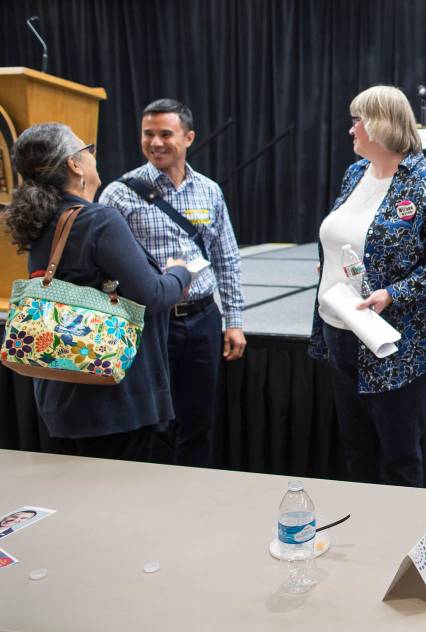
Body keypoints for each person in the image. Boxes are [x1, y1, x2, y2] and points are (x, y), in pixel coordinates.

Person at [308, 86, 426, 487]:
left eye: (357, 120)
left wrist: (394, 293)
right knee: (356, 447)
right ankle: (366, 535)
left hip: (397, 342)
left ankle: (400, 539)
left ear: (380, 125)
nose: (351, 130)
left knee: (398, 455)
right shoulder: (354, 174)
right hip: (341, 329)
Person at [1, 123, 191, 461]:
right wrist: (180, 271)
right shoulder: (99, 220)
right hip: (113, 403)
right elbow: (155, 296)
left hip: (59, 396)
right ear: (74, 165)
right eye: (87, 149)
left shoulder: (42, 218)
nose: (92, 155)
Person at [99, 99, 245, 468]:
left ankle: (194, 495)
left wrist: (235, 321)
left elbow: (226, 258)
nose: (156, 142)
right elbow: (102, 268)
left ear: (189, 137)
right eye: (148, 134)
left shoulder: (210, 191)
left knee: (198, 420)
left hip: (202, 319)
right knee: (155, 422)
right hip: (149, 322)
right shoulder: (120, 194)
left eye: (166, 134)